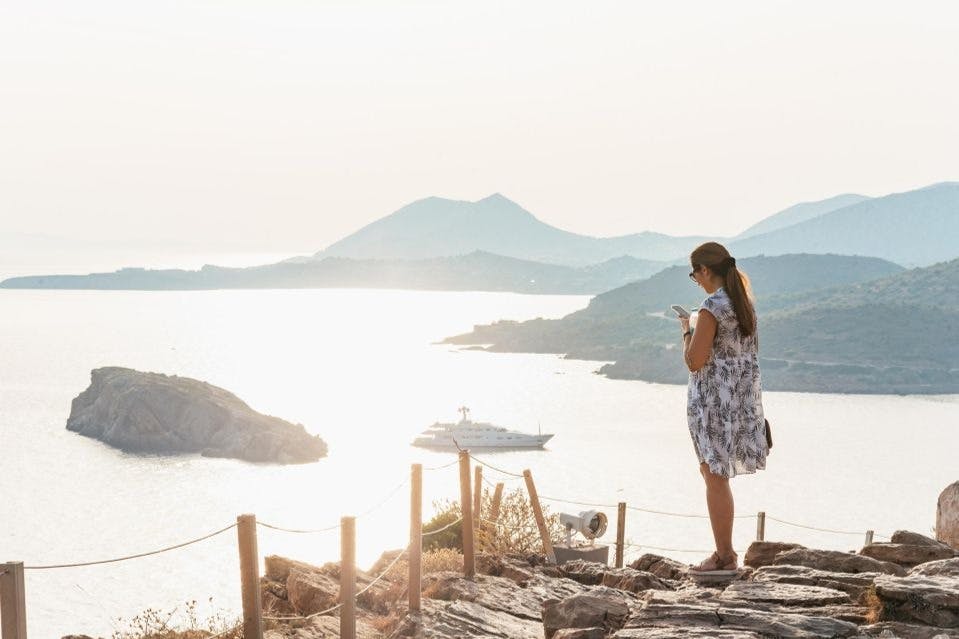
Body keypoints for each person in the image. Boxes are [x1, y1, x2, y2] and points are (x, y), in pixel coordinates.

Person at [680, 241, 767, 572]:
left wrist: (686, 331)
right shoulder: (744, 306)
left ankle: (724, 556)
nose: (696, 280)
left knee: (714, 476)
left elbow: (694, 361)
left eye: (695, 274)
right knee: (717, 476)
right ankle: (724, 553)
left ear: (704, 270)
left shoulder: (711, 308)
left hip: (712, 403)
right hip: (738, 401)